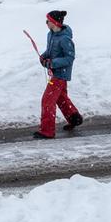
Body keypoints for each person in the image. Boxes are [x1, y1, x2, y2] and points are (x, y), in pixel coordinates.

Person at [33, 9, 83, 138]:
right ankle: (74, 117)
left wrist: (52, 63)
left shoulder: (65, 39)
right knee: (61, 98)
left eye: (48, 21)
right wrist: (44, 57)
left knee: (47, 100)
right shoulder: (50, 35)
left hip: (61, 74)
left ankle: (47, 131)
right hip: (54, 72)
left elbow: (69, 58)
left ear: (55, 23)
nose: (46, 23)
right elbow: (50, 51)